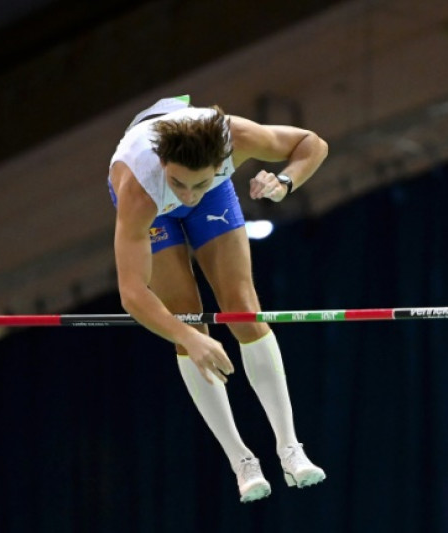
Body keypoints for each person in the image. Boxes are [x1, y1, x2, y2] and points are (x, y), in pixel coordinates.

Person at [107, 95, 328, 503]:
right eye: (180, 183)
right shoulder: (138, 188)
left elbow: (312, 144)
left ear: (223, 161)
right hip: (155, 211)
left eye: (199, 182)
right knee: (186, 322)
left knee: (243, 311)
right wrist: (190, 338)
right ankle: (241, 460)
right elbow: (132, 293)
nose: (188, 195)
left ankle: (290, 448)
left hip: (215, 195)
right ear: (163, 167)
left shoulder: (237, 137)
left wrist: (286, 181)